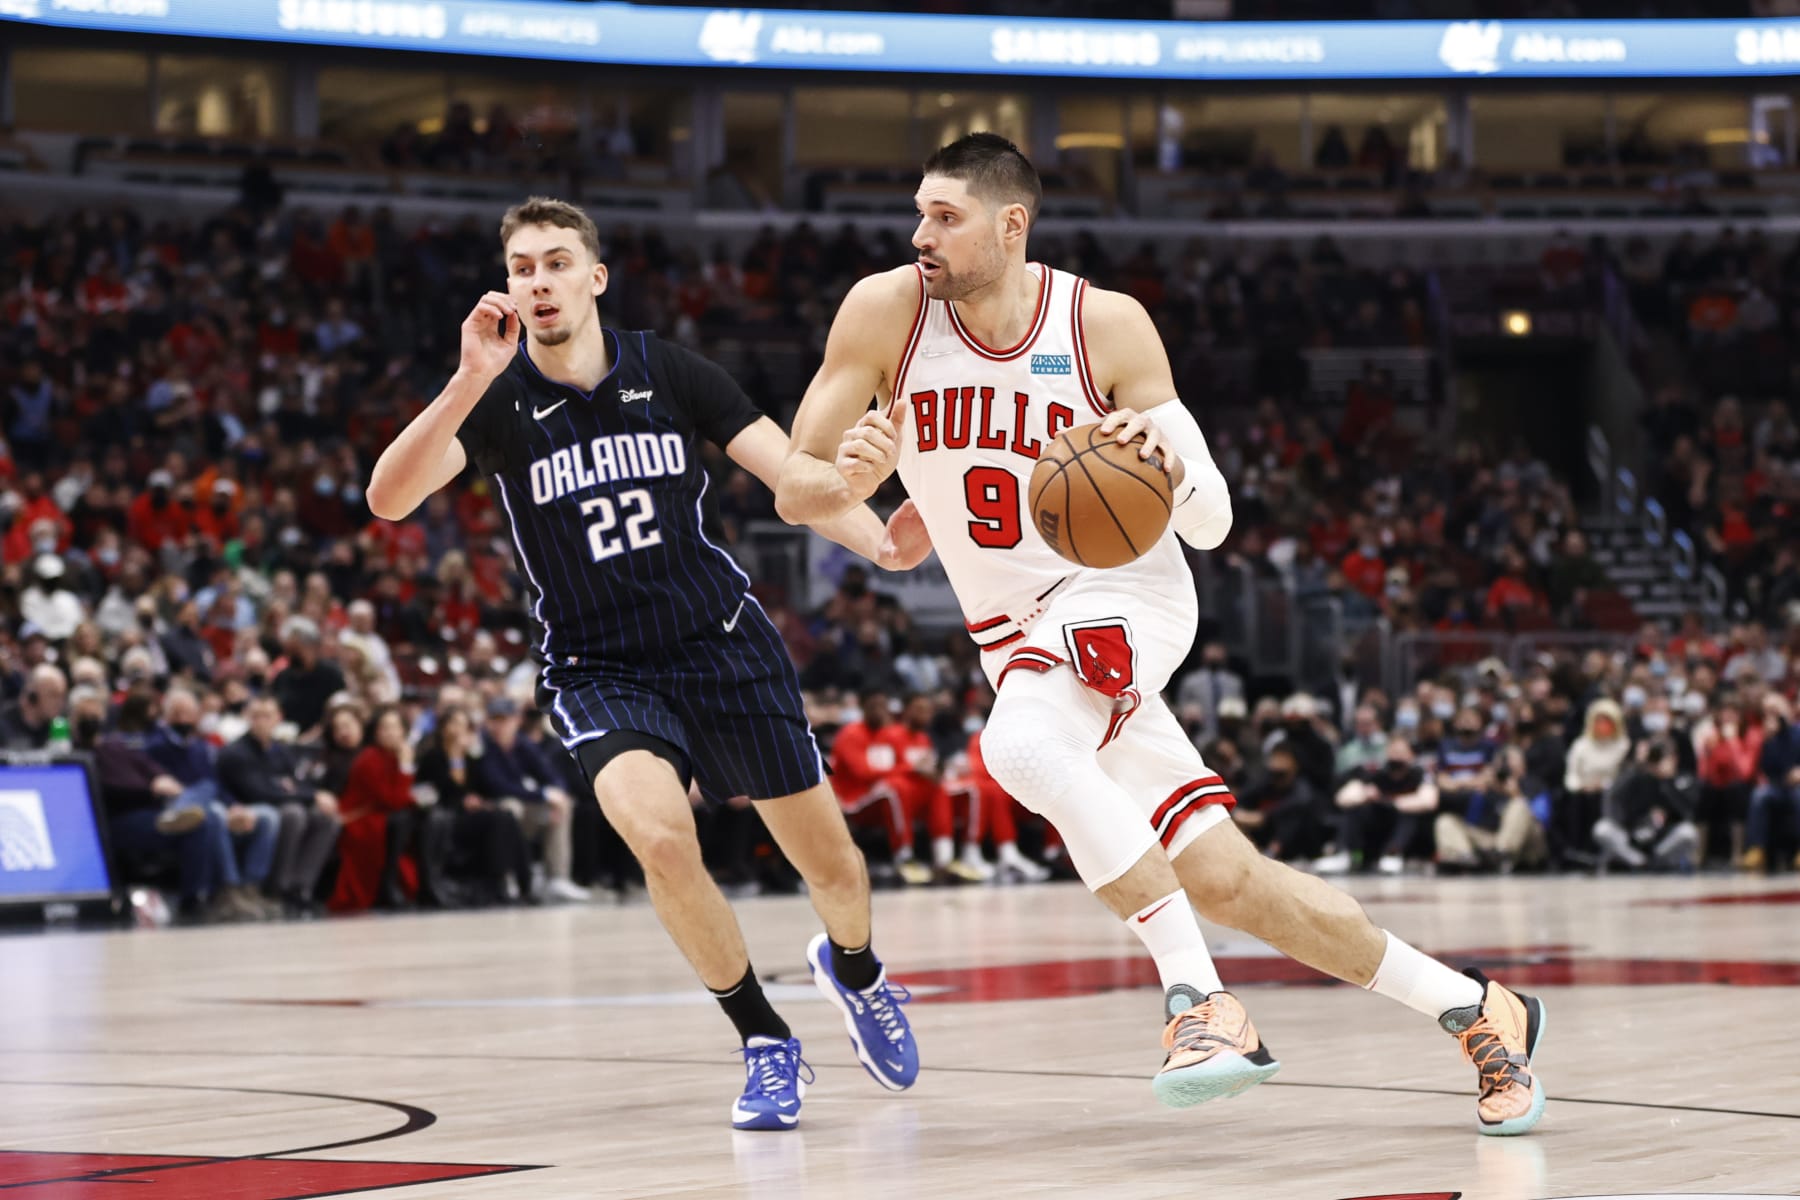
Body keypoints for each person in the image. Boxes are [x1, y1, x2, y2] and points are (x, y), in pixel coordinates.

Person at [777, 132, 1546, 1133]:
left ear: (1012, 225)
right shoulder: (885, 311)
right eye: (920, 211)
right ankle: (1480, 1012)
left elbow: (1216, 519)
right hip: (1014, 634)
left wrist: (1171, 467)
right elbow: (795, 483)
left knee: (1018, 743)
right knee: (1232, 882)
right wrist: (849, 475)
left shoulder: (1104, 323)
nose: (920, 233)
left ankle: (1201, 1001)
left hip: (1127, 595)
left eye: (945, 216)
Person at [366, 196, 921, 1131]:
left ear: (595, 277)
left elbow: (790, 473)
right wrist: (466, 378)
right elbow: (387, 499)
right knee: (663, 840)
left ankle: (857, 971)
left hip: (720, 641)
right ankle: (762, 1039)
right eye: (521, 268)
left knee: (835, 871)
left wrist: (884, 550)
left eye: (554, 263)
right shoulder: (496, 401)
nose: (537, 282)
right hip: (598, 666)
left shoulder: (668, 369)